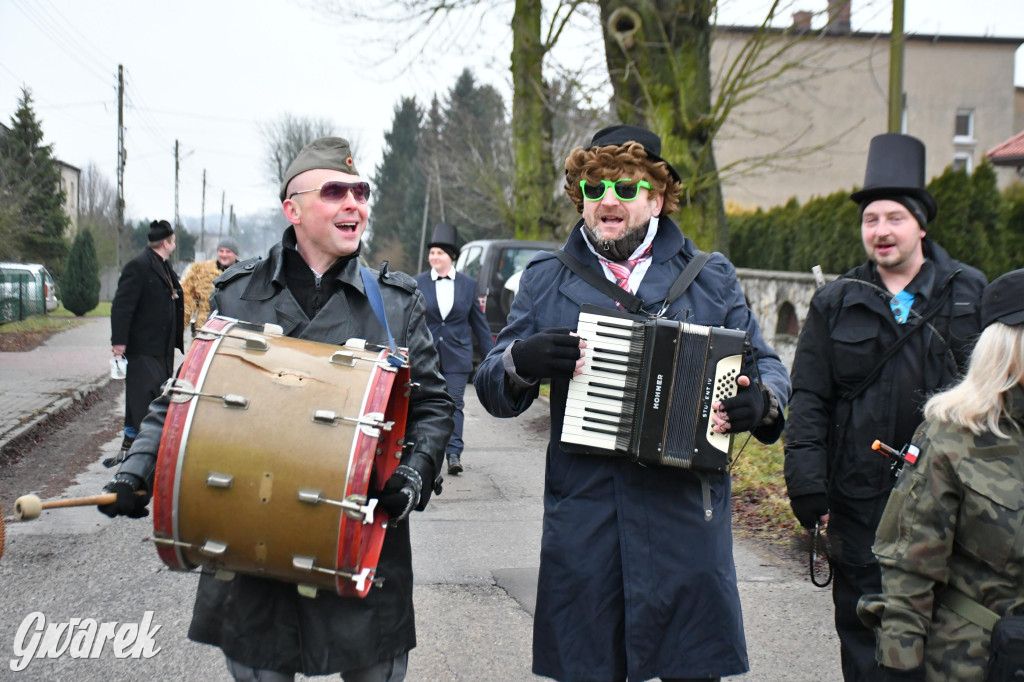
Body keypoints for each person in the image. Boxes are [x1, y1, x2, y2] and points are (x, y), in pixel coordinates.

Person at [98, 137, 455, 682]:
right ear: (293, 209)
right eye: (335, 192)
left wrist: (414, 471)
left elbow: (432, 406)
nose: (354, 204)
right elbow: (183, 394)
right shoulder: (237, 295)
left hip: (358, 541)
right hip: (252, 541)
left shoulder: (397, 304)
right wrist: (137, 469)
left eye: (360, 192)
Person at [474, 124, 791, 682]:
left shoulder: (709, 277)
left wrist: (760, 404)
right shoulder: (546, 280)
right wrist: (521, 361)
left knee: (689, 669)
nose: (607, 202)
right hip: (588, 519)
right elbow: (491, 385)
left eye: (623, 187)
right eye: (593, 191)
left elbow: (766, 366)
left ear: (658, 196)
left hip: (685, 519)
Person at [783, 133, 987, 681]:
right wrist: (807, 484)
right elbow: (809, 400)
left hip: (951, 506)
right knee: (865, 640)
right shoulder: (834, 302)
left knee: (944, 644)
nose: (881, 231)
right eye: (871, 219)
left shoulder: (969, 294)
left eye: (894, 218)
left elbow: (992, 400)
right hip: (859, 500)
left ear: (921, 224)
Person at [857, 268, 1024, 681]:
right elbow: (909, 568)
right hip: (969, 662)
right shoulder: (952, 435)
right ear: (1010, 349)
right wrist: (900, 666)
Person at [414, 222, 495, 475]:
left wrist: (492, 356)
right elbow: (412, 321)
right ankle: (425, 453)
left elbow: (479, 324)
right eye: (432, 253)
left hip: (458, 356)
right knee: (426, 404)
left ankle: (453, 453)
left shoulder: (468, 285)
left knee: (454, 403)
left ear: (451, 257)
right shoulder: (418, 283)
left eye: (439, 253)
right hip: (425, 356)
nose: (434, 257)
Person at [107, 219, 183, 466]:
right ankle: (142, 452)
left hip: (161, 348)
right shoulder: (139, 266)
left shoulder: (162, 265)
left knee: (155, 394)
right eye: (173, 240)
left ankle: (133, 445)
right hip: (142, 347)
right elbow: (122, 305)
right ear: (166, 242)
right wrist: (119, 341)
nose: (174, 243)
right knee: (144, 398)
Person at [180, 236, 240, 336]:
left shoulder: (245, 273)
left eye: (228, 251)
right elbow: (186, 297)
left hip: (233, 331)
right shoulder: (201, 271)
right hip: (204, 329)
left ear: (235, 254)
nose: (224, 255)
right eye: (221, 251)